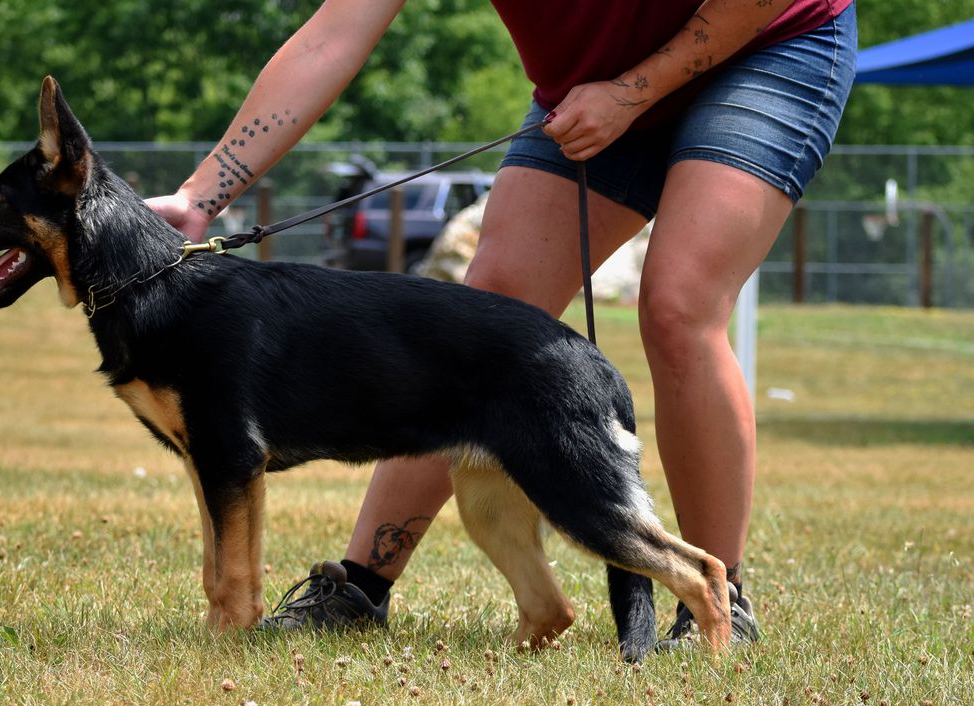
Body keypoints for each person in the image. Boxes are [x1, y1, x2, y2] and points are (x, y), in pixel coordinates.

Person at [147, 0, 857, 648]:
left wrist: (630, 93)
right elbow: (330, 39)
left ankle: (717, 600)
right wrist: (201, 196)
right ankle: (358, 588)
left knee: (677, 304)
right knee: (486, 303)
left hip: (767, 45)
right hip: (591, 90)